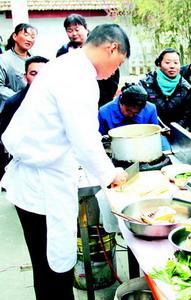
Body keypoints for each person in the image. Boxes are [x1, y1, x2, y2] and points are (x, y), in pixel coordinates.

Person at [0, 24, 130, 300]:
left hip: (34, 177)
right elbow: (84, 138)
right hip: (41, 185)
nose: (113, 72)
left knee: (47, 266)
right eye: (117, 63)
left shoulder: (66, 65)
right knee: (52, 268)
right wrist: (111, 174)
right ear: (111, 48)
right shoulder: (79, 77)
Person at [0, 55, 48, 179]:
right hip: (25, 163)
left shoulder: (59, 100)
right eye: (33, 73)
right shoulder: (14, 103)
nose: (39, 78)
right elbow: (5, 136)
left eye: (44, 74)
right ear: (25, 76)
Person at [56, 14, 120, 106]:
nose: (74, 34)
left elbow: (112, 76)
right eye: (69, 31)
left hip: (100, 98)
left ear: (86, 28)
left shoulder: (101, 47)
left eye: (77, 30)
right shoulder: (63, 52)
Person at [140, 48, 191, 129]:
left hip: (176, 132)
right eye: (167, 62)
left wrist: (175, 129)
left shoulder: (185, 87)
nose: (172, 66)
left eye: (176, 63)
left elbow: (187, 115)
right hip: (151, 130)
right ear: (159, 63)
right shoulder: (145, 84)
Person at [0, 23, 37, 110]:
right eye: (26, 35)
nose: (29, 39)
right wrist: (20, 98)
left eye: (32, 37)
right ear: (15, 36)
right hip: (10, 110)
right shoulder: (3, 59)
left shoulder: (35, 60)